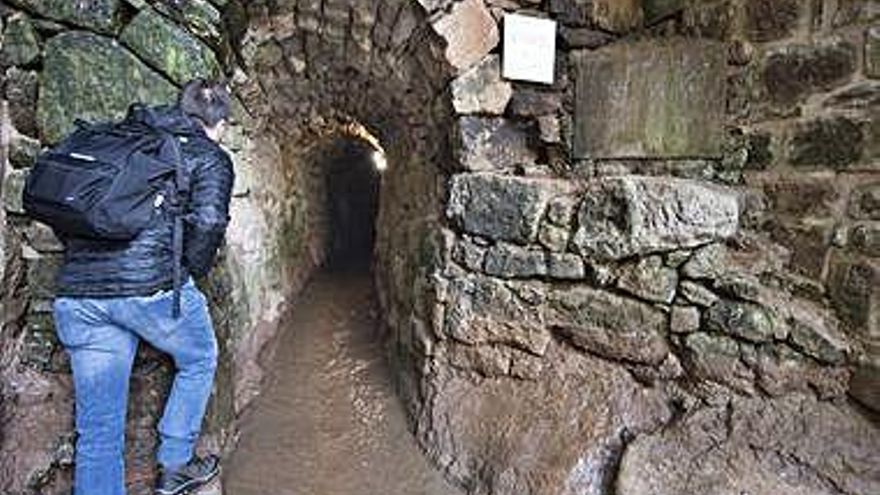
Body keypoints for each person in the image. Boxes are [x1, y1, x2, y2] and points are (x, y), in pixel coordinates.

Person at [51, 79, 235, 495]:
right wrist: (184, 273)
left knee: (98, 431)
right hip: (149, 289)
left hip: (79, 294)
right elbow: (207, 222)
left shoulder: (128, 136)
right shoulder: (209, 155)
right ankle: (175, 464)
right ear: (219, 122)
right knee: (201, 356)